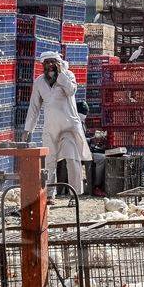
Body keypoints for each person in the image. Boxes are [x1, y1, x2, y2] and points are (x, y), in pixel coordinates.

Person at [22, 51, 92, 202]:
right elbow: (34, 107)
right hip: (50, 127)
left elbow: (71, 91)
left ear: (59, 63)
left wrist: (61, 75)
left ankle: (75, 195)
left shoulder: (68, 76)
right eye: (46, 63)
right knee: (49, 161)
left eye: (53, 62)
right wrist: (28, 129)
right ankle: (49, 195)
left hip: (69, 127)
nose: (49, 66)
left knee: (72, 159)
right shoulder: (40, 81)